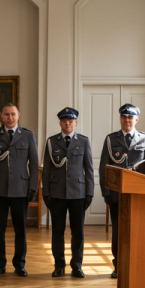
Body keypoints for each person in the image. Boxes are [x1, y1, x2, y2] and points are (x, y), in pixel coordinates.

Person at [98, 104, 145, 278]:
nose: (127, 120)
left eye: (131, 117)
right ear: (120, 119)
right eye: (124, 117)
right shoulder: (111, 139)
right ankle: (118, 265)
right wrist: (106, 193)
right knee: (118, 232)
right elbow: (104, 168)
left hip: (138, 195)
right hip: (117, 195)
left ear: (136, 119)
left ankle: (135, 264)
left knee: (137, 232)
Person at [0, 103, 38, 277]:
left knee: (20, 229)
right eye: (6, 114)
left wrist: (32, 187)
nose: (10, 118)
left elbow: (34, 164)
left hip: (20, 190)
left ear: (18, 115)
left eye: (13, 114)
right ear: (1, 115)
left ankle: (19, 264)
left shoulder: (28, 136)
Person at [42, 108, 94, 278]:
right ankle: (59, 266)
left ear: (76, 123)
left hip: (78, 194)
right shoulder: (51, 142)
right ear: (60, 123)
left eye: (70, 121)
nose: (67, 123)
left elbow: (89, 170)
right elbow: (47, 170)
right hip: (57, 194)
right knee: (57, 232)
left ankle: (77, 266)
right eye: (64, 120)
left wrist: (89, 193)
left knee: (78, 232)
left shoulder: (84, 142)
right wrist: (46, 193)